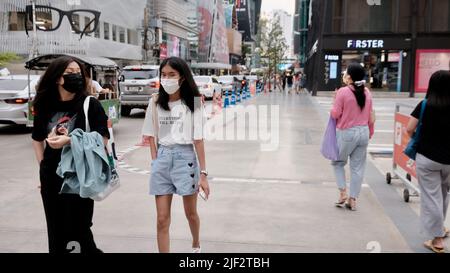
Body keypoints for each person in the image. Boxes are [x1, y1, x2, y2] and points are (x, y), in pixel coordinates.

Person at [31, 56, 109, 253]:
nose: (77, 77)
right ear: (58, 78)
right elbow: (37, 138)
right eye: (71, 73)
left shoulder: (90, 104)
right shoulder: (44, 105)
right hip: (51, 176)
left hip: (79, 175)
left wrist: (71, 140)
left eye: (78, 73)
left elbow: (103, 138)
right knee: (56, 229)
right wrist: (43, 169)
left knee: (80, 229)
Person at [141, 57, 210, 253]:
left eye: (172, 75)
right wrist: (155, 161)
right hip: (162, 159)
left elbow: (198, 140)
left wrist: (203, 174)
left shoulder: (194, 103)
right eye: (163, 75)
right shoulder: (154, 102)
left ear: (182, 78)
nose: (167, 79)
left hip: (185, 159)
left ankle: (196, 244)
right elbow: (151, 136)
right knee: (162, 219)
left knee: (191, 214)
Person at [406, 70, 450, 253]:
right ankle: (440, 229)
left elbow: (409, 129)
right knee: (443, 194)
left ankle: (438, 239)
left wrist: (423, 138)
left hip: (427, 158)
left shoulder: (424, 105)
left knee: (432, 198)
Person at [330, 63, 374, 211]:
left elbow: (335, 114)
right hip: (364, 133)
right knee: (357, 168)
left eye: (346, 72)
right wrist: (370, 132)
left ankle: (343, 192)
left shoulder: (343, 92)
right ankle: (353, 199)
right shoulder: (367, 92)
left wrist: (334, 101)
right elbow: (371, 116)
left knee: (337, 163)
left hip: (347, 133)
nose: (344, 74)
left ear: (349, 76)